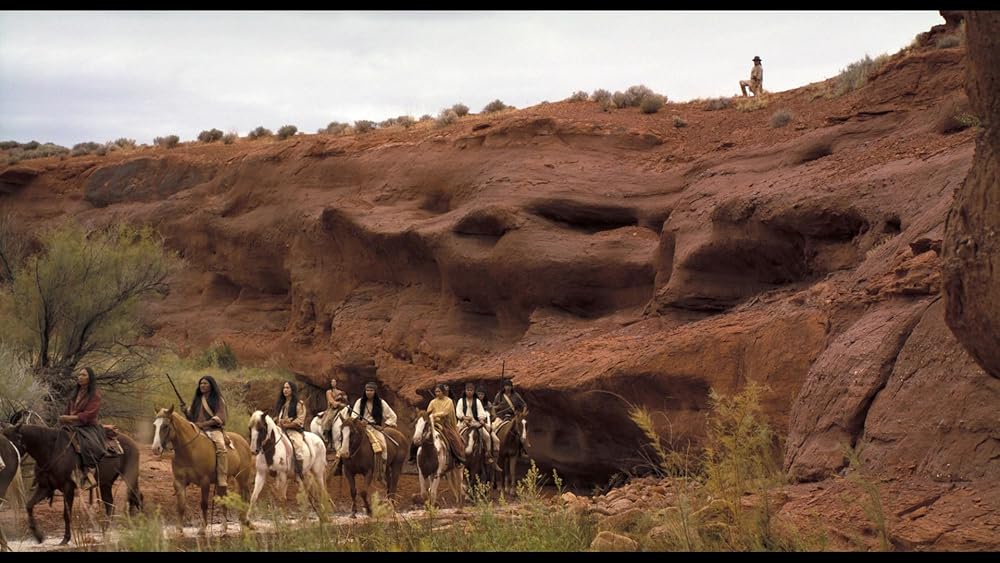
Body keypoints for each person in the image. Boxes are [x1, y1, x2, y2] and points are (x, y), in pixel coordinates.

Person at [58, 367, 105, 490]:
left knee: (88, 444)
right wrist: (64, 418)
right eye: (79, 374)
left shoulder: (95, 394)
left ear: (90, 378)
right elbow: (68, 409)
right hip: (71, 425)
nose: (80, 377)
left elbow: (90, 414)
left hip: (87, 426)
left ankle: (88, 471)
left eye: (83, 375)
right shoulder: (76, 393)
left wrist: (70, 418)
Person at [185, 375, 229, 496]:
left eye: (205, 383)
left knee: (221, 447)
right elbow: (191, 418)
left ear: (211, 385)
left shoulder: (218, 400)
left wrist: (203, 424)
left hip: (213, 430)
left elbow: (221, 418)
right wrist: (186, 412)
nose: (202, 386)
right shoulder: (197, 399)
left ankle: (221, 478)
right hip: (197, 429)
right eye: (201, 384)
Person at [348, 381, 398, 459]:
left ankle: (381, 466)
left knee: (383, 446)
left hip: (375, 429)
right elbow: (353, 416)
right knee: (347, 443)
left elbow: (392, 416)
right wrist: (360, 422)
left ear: (375, 391)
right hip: (361, 429)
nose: (369, 392)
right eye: (367, 390)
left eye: (371, 390)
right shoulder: (359, 402)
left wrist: (383, 427)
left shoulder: (381, 402)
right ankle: (341, 464)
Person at [273, 380, 308, 481]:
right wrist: (276, 421)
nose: (285, 390)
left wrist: (287, 425)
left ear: (293, 390)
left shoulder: (299, 404)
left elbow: (300, 420)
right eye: (284, 388)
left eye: (288, 388)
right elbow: (276, 418)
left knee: (298, 447)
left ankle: (299, 472)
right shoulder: (281, 404)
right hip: (280, 430)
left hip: (293, 431)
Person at [426, 383, 466, 464]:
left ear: (443, 392)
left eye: (439, 391)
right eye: (436, 392)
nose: (437, 393)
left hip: (445, 424)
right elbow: (428, 412)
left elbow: (445, 412)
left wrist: (435, 415)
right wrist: (430, 416)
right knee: (420, 435)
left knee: (454, 439)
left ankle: (458, 457)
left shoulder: (449, 401)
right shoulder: (433, 402)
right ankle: (413, 454)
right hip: (433, 423)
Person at [456, 382, 494, 465]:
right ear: (465, 391)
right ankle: (455, 456)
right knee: (455, 436)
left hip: (475, 423)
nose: (469, 392)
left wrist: (481, 419)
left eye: (471, 390)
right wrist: (464, 418)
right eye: (468, 390)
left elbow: (481, 413)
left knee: (487, 436)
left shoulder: (477, 401)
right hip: (463, 423)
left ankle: (488, 455)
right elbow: (458, 412)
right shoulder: (461, 401)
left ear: (473, 392)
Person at [491, 378, 529, 458]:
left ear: (511, 387)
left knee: (520, 430)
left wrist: (523, 413)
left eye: (509, 386)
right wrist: (497, 408)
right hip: (501, 417)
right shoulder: (499, 395)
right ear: (504, 387)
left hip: (513, 417)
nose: (507, 388)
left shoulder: (516, 395)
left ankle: (522, 450)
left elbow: (524, 405)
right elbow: (493, 407)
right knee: (493, 429)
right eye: (506, 386)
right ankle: (492, 449)